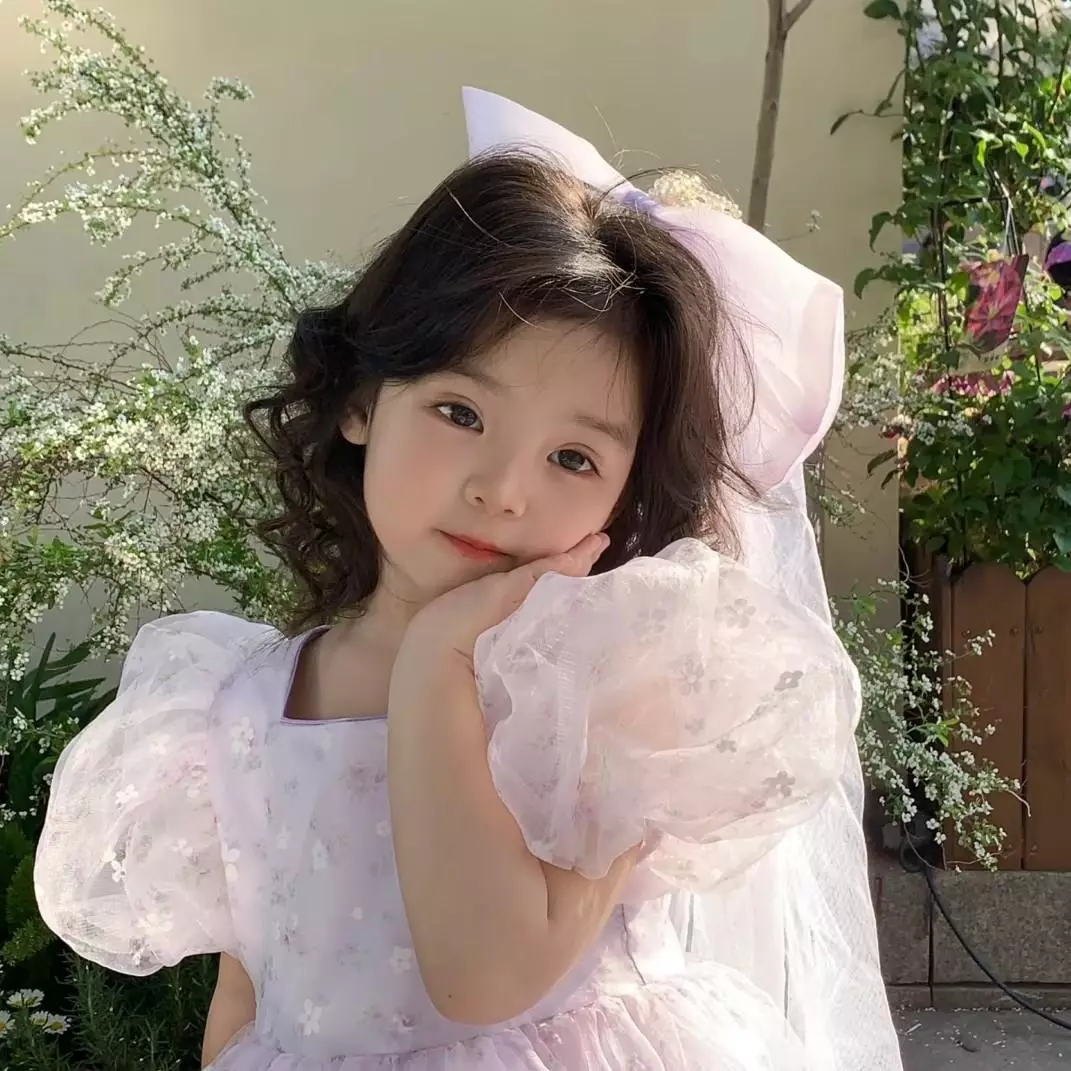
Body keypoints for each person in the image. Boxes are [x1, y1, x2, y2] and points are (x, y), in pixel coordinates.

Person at [34, 88, 903, 1070]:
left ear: (625, 496)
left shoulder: (606, 693)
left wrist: (441, 660)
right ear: (362, 400)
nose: (502, 490)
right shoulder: (237, 701)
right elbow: (250, 989)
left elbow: (484, 976)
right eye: (460, 413)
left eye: (573, 458)